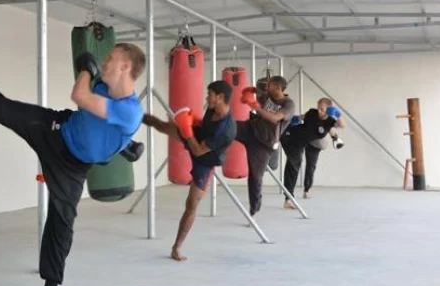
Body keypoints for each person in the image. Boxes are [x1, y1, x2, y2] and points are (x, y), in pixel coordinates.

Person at [0, 44, 146, 286]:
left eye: (110, 58)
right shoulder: (104, 89)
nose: (104, 62)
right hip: (55, 130)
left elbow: (79, 94)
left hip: (73, 166)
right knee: (2, 107)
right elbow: (92, 116)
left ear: (125, 66)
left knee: (62, 222)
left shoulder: (129, 110)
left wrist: (85, 69)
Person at [142, 81, 237, 261]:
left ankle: (176, 248)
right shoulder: (212, 110)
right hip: (196, 136)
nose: (207, 97)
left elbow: (199, 151)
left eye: (210, 94)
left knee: (191, 205)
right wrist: (193, 121)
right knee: (162, 125)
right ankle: (134, 115)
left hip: (205, 162)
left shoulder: (227, 130)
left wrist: (187, 131)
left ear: (220, 97)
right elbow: (204, 127)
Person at [234, 76, 295, 217]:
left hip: (263, 144)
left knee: (255, 177)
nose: (267, 88)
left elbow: (274, 118)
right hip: (250, 129)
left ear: (279, 88)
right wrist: (251, 90)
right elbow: (259, 92)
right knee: (228, 127)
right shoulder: (266, 95)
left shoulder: (288, 104)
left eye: (271, 86)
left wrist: (254, 105)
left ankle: (254, 208)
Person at [281, 98, 345, 205]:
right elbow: (301, 117)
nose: (319, 111)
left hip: (300, 144)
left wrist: (338, 115)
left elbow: (342, 125)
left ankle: (290, 198)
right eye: (318, 107)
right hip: (291, 136)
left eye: (322, 109)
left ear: (329, 110)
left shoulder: (329, 122)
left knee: (296, 166)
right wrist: (292, 119)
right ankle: (288, 199)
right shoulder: (312, 112)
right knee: (293, 165)